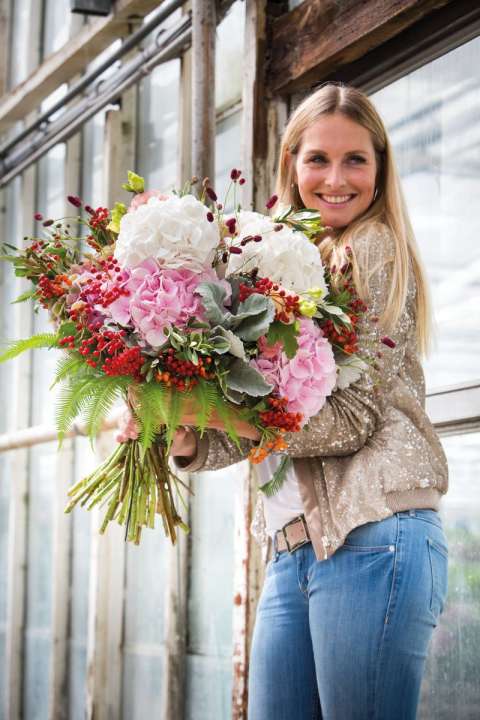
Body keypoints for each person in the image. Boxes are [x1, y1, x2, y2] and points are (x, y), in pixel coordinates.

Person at [120, 83, 449, 719]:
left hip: (374, 534)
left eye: (356, 159)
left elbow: (350, 421)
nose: (335, 178)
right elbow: (268, 422)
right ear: (291, 165)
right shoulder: (281, 264)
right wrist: (184, 429)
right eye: (318, 159)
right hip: (295, 549)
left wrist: (207, 412)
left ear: (381, 169)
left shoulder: (373, 247)